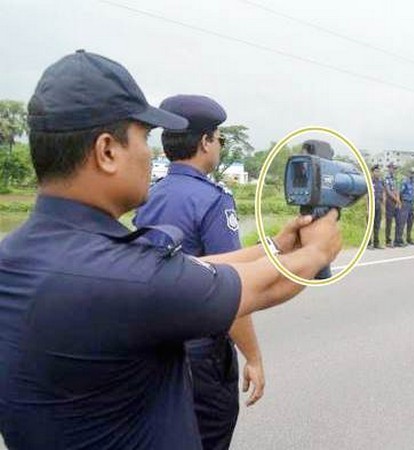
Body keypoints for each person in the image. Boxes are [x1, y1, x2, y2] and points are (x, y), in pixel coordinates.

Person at [0, 50, 342, 450]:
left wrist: (276, 246)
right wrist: (316, 252)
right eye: (144, 138)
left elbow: (187, 267)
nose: (153, 153)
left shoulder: (20, 257)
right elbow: (253, 289)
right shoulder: (122, 277)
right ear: (107, 151)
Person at [133, 95, 263, 450]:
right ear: (205, 142)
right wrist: (253, 357)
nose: (219, 144)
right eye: (218, 136)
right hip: (200, 357)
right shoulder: (212, 199)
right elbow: (230, 287)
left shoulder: (149, 195)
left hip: (151, 350)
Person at [396, 168, 414, 247]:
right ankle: (399, 240)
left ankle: (409, 238)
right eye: (411, 172)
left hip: (411, 203)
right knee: (402, 222)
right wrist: (399, 201)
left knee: (410, 221)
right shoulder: (405, 181)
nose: (412, 174)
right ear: (408, 173)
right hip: (405, 203)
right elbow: (399, 191)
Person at [368, 164, 386, 249]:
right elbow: (366, 196)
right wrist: (367, 209)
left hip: (378, 205)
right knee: (370, 225)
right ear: (372, 172)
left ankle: (376, 243)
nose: (377, 173)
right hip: (371, 205)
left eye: (378, 171)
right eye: (376, 171)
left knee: (377, 225)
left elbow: (382, 194)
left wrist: (383, 207)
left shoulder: (381, 181)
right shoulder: (370, 181)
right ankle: (368, 243)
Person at [384, 163, 400, 248]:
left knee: (398, 221)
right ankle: (388, 241)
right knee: (389, 222)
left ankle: (397, 240)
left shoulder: (395, 178)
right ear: (389, 168)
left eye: (395, 168)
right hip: (390, 202)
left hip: (396, 202)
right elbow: (388, 191)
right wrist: (396, 199)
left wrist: (398, 200)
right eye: (393, 168)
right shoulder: (386, 178)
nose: (394, 170)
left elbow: (397, 189)